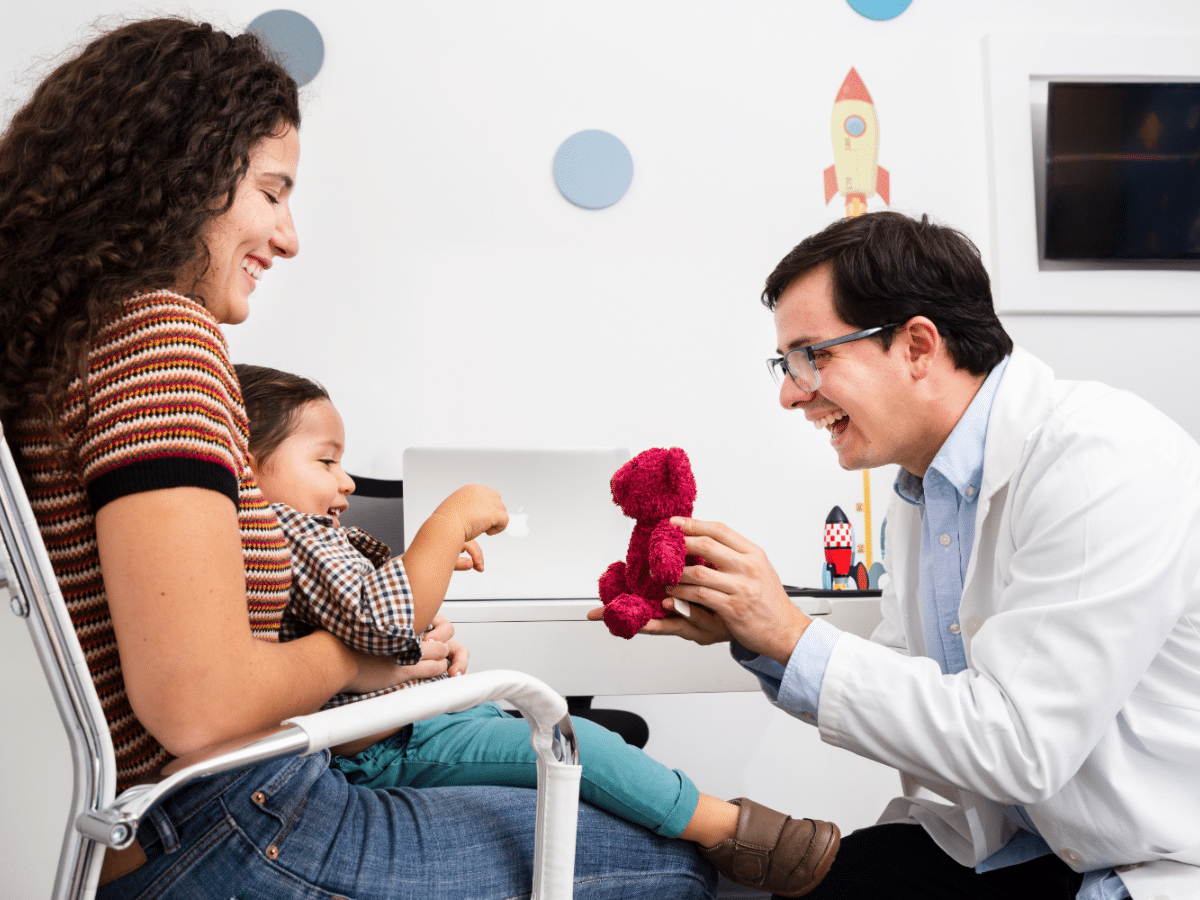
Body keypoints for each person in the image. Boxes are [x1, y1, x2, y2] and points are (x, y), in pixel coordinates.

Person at [0, 18, 716, 899]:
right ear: (179, 179)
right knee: (669, 865)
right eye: (272, 192)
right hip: (229, 830)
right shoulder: (158, 338)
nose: (290, 236)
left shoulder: (54, 353)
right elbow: (198, 704)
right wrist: (367, 663)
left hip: (134, 836)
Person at [600, 211, 1200, 899]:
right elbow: (916, 690)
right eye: (785, 363)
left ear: (918, 346)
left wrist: (794, 637)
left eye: (811, 356)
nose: (791, 393)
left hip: (1149, 854)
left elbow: (1018, 744)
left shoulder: (1101, 463)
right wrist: (759, 633)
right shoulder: (926, 490)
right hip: (1030, 838)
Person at [234, 361, 842, 898]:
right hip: (383, 747)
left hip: (408, 723)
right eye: (326, 461)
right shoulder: (288, 528)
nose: (345, 481)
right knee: (574, 746)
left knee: (564, 738)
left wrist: (425, 600)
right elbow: (386, 617)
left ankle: (716, 832)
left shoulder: (299, 537)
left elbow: (374, 622)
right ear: (250, 464)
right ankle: (731, 831)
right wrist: (443, 529)